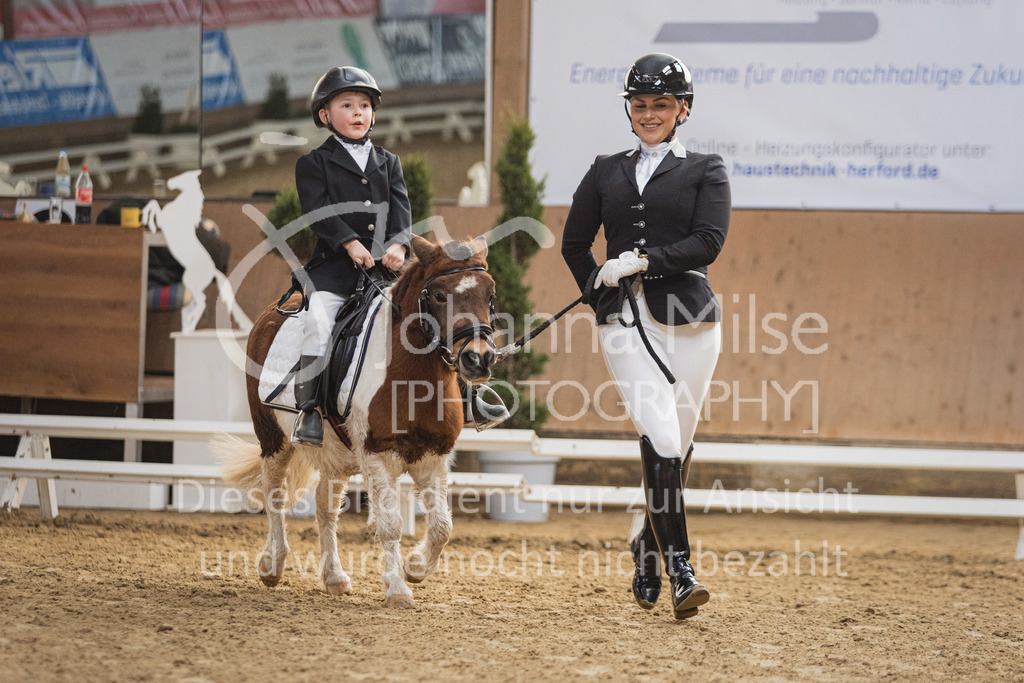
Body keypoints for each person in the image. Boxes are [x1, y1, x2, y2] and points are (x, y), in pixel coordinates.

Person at [560, 53, 730, 620]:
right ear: (629, 109)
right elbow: (575, 244)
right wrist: (598, 290)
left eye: (661, 104)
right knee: (658, 430)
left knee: (679, 441)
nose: (650, 113)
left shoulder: (706, 168)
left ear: (683, 109)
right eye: (640, 104)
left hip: (691, 319)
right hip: (624, 321)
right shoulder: (604, 169)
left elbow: (708, 241)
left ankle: (646, 544)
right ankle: (683, 571)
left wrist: (642, 261)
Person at [292, 66, 411, 446]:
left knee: (432, 313)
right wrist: (348, 242)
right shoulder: (313, 163)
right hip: (334, 270)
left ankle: (467, 397)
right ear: (325, 116)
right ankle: (309, 410)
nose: (358, 112)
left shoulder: (389, 161)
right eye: (347, 105)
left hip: (384, 270)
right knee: (319, 323)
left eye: (364, 105)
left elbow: (401, 210)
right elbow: (317, 211)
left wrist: (399, 245)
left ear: (373, 115)